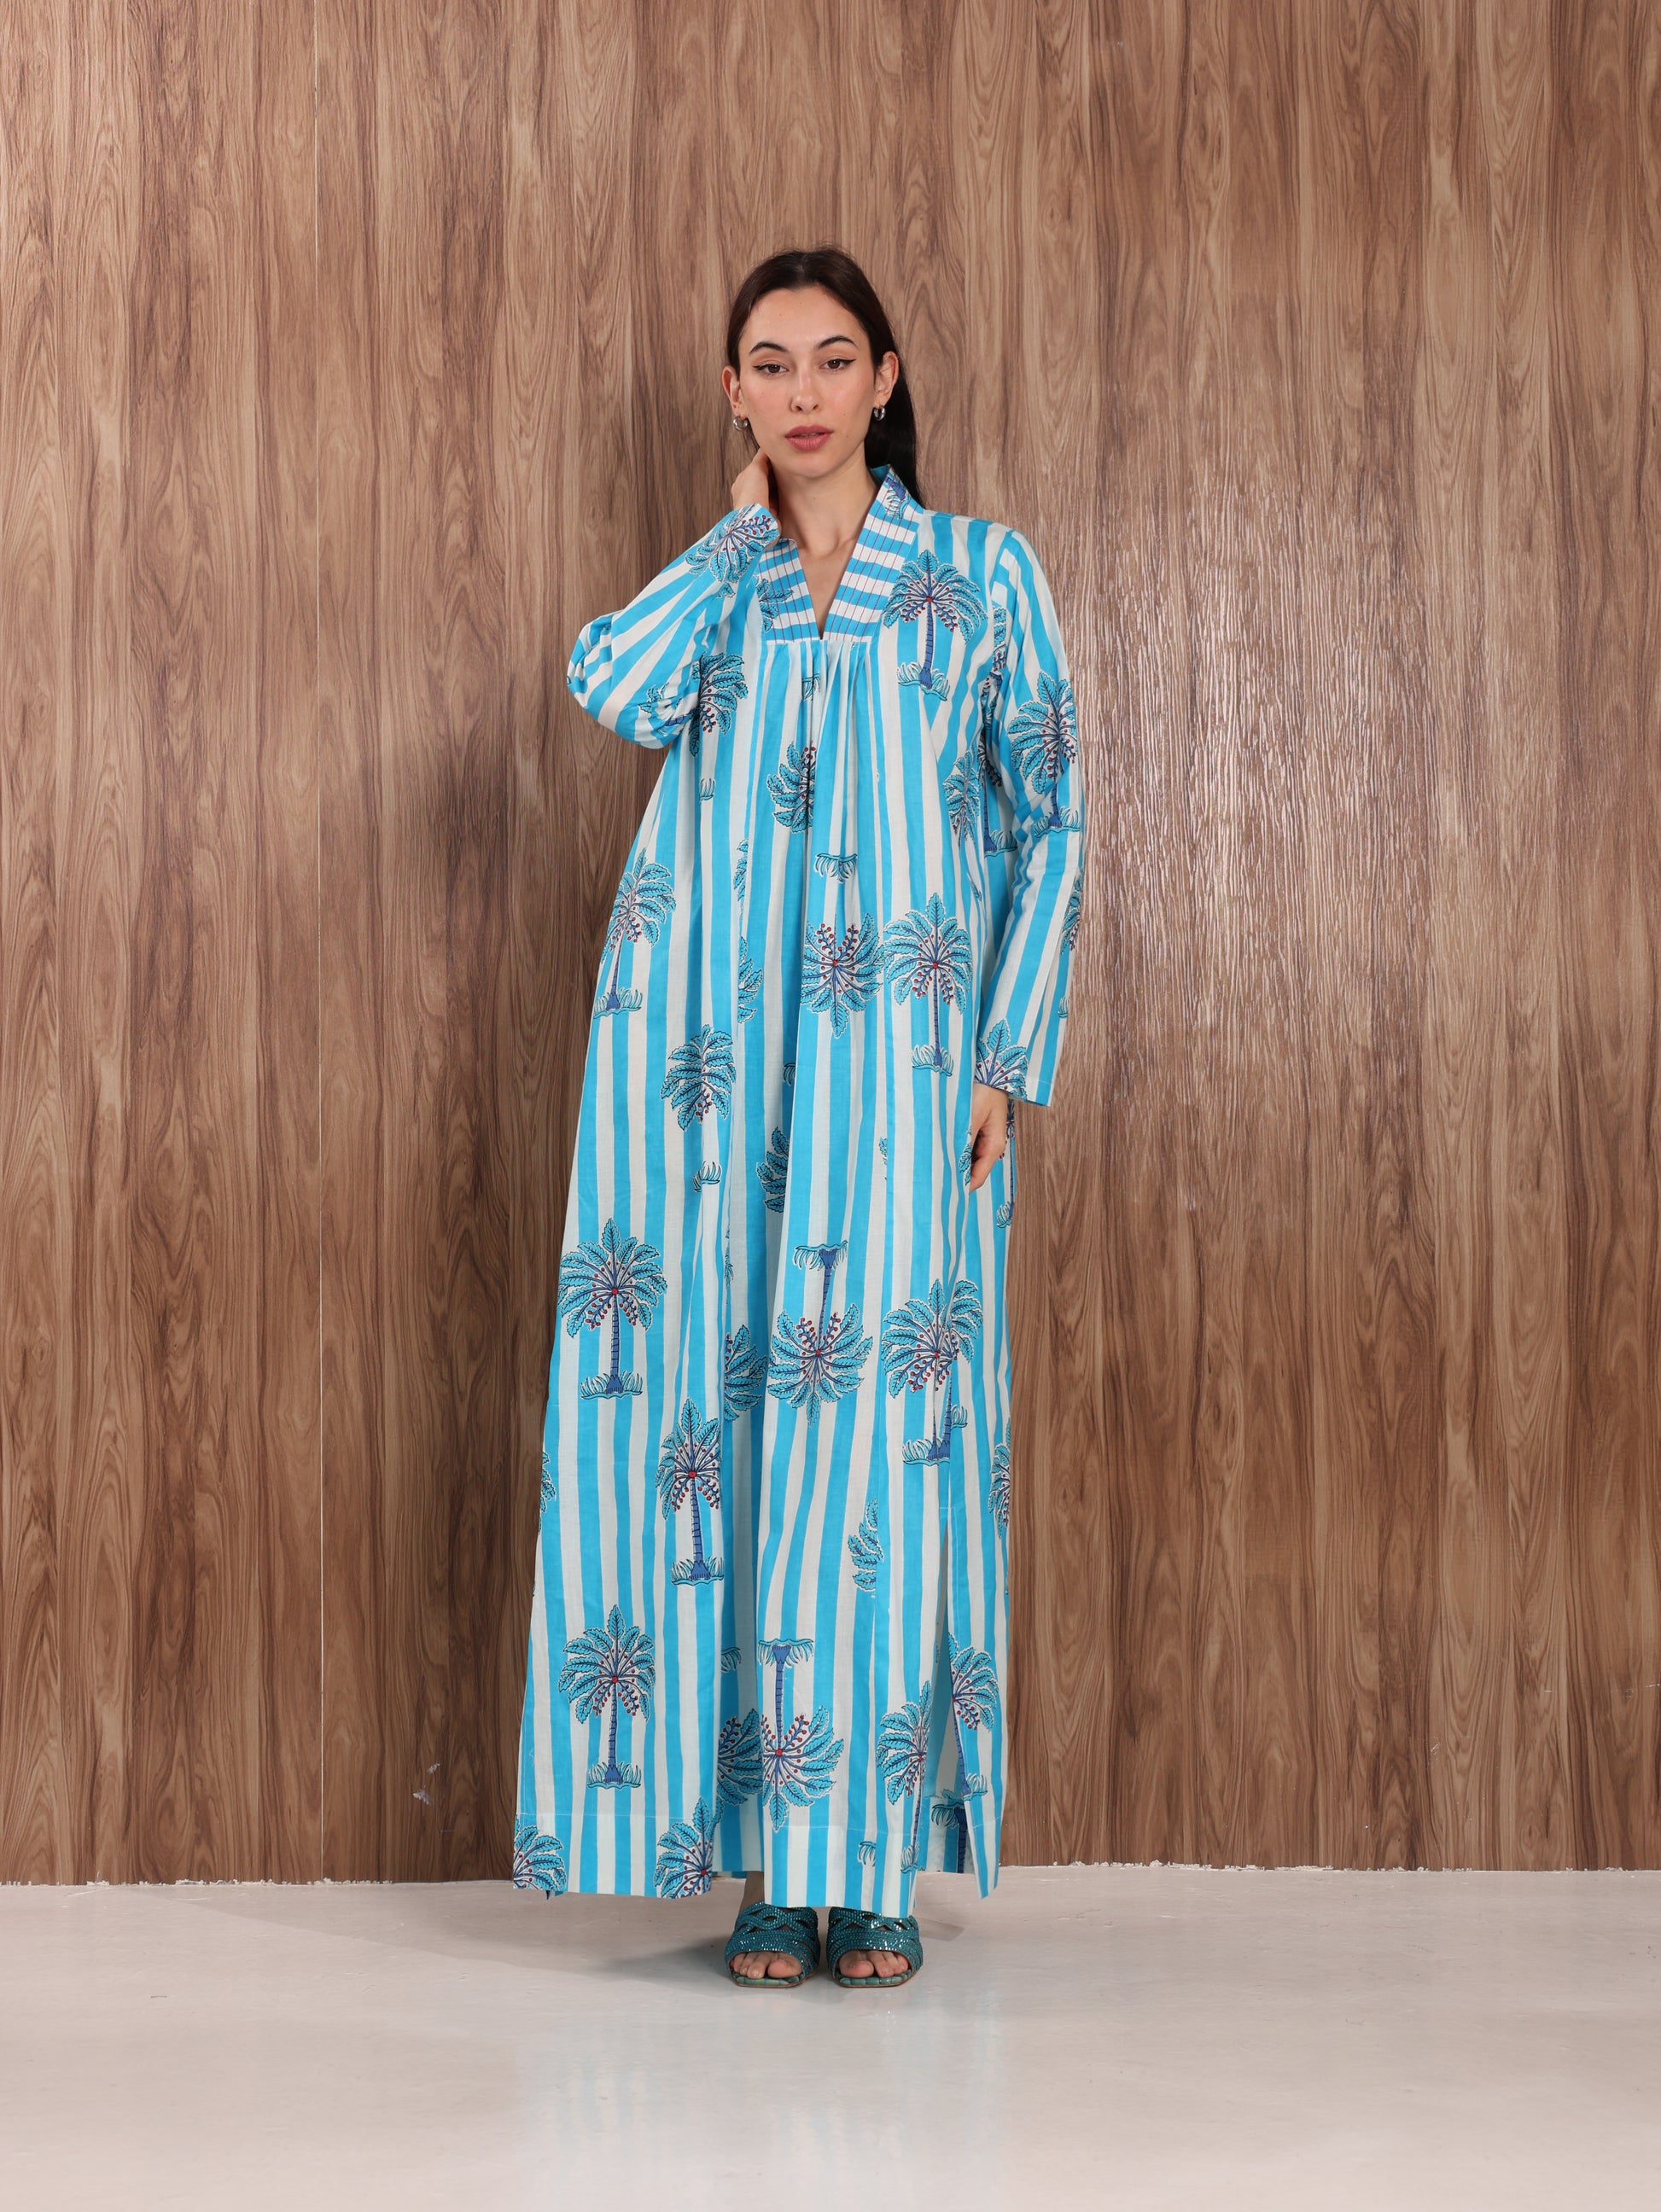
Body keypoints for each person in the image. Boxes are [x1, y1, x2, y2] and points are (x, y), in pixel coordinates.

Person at [513, 246, 1086, 1990]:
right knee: (722, 1433)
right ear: (735, 396)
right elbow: (608, 690)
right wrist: (729, 535)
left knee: (883, 1452)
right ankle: (768, 1869)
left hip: (904, 1077)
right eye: (769, 364)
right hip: (698, 1071)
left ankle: (872, 1869)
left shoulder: (978, 576)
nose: (805, 391)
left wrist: (1005, 1058)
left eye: (834, 359)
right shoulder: (726, 587)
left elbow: (1050, 811)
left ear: (886, 379)